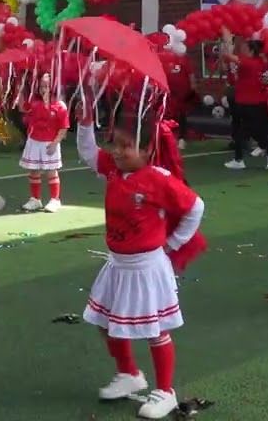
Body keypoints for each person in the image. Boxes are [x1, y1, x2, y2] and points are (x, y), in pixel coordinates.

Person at [74, 99, 206, 420]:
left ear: (147, 150)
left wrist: (172, 243)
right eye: (115, 144)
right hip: (117, 264)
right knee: (105, 323)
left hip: (146, 268)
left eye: (126, 146)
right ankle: (129, 373)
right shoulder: (113, 170)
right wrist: (85, 122)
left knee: (154, 330)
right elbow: (88, 152)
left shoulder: (157, 178)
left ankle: (166, 391)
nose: (117, 152)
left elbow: (195, 207)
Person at [222, 33, 268, 170]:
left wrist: (226, 38)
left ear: (251, 50)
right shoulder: (259, 62)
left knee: (247, 132)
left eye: (245, 47)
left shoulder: (248, 62)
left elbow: (228, 56)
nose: (242, 49)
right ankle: (243, 158)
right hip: (255, 103)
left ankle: (267, 152)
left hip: (248, 103)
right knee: (251, 132)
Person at [20, 73, 68, 213]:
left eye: (47, 86)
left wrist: (55, 143)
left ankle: (55, 200)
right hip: (34, 141)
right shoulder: (33, 102)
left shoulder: (60, 105)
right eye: (41, 86)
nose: (43, 89)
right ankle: (35, 199)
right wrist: (20, 87)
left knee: (51, 171)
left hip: (50, 143)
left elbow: (64, 127)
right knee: (34, 171)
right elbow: (22, 108)